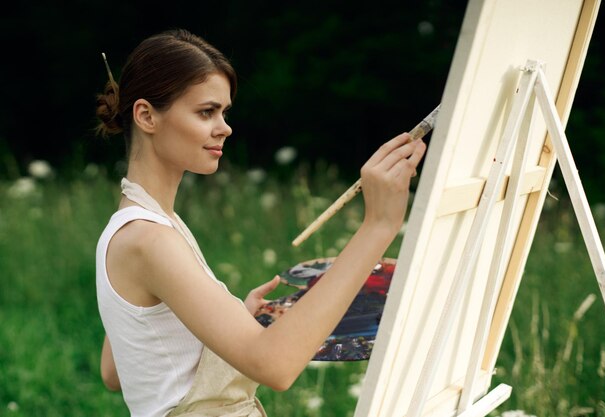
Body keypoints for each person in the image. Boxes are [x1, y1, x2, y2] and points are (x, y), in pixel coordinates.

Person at [94, 28, 426, 417]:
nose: (225, 127)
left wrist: (229, 321)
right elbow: (276, 366)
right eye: (206, 112)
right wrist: (379, 225)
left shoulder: (140, 225)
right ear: (147, 116)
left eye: (224, 112)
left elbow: (118, 370)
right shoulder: (149, 239)